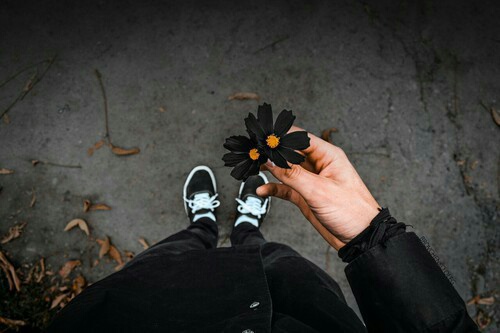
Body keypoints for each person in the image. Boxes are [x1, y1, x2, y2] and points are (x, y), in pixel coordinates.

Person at [48, 127, 478, 332]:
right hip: (298, 313)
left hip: (146, 313)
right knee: (270, 258)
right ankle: (245, 230)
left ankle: (201, 227)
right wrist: (372, 237)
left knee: (174, 258)